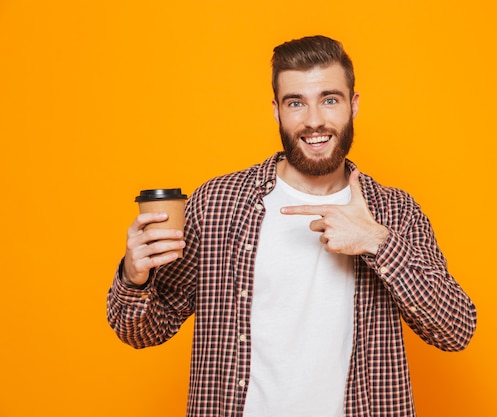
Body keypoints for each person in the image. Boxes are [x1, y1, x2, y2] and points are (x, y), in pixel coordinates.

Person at [107, 35, 477, 417]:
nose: (314, 120)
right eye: (296, 103)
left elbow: (456, 330)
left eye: (329, 99)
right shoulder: (218, 204)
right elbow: (142, 331)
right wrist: (135, 278)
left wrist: (377, 243)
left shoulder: (394, 211)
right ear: (276, 110)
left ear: (354, 104)